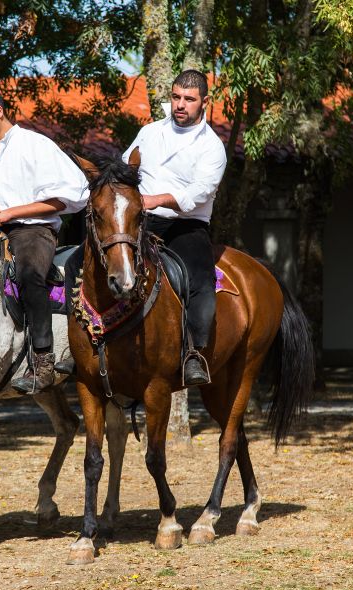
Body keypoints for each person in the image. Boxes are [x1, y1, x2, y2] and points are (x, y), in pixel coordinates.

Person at [0, 84, 89, 393]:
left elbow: (75, 195)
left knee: (30, 276)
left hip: (34, 230)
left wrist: (9, 214)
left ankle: (43, 361)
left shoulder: (36, 145)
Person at [122, 69, 227, 385]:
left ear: (204, 102)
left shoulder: (212, 147)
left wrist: (156, 199)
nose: (180, 104)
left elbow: (198, 195)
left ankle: (193, 352)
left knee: (200, 281)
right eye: (176, 97)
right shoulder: (149, 132)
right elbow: (128, 165)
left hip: (186, 224)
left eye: (189, 99)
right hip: (142, 219)